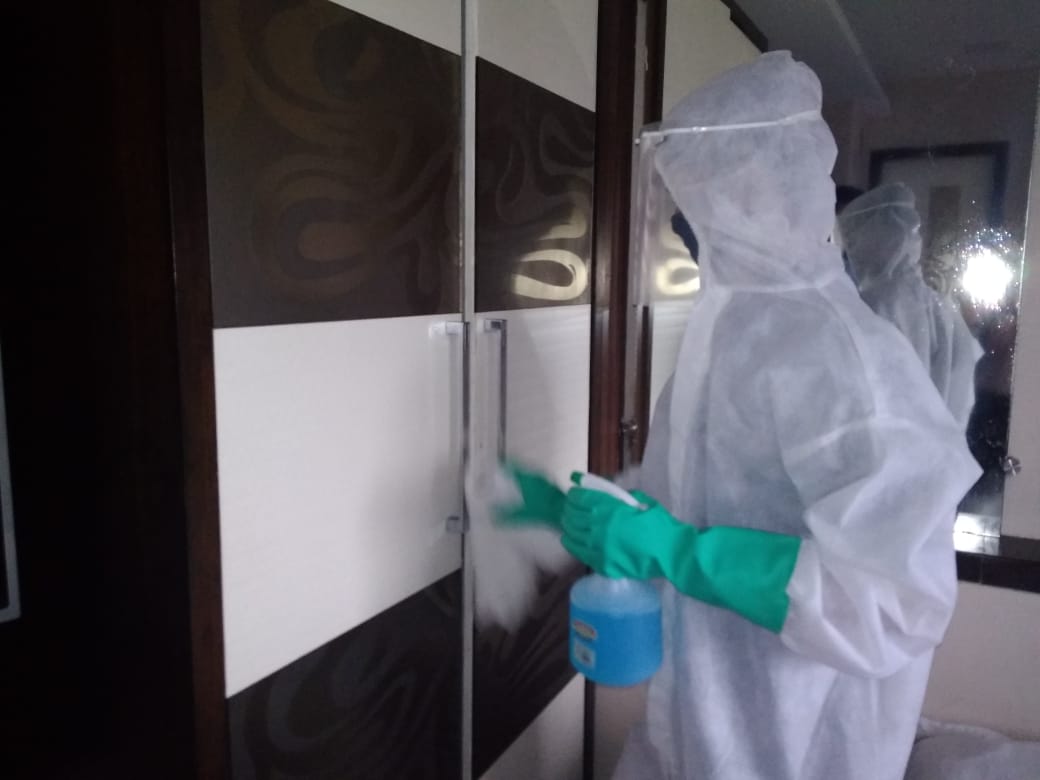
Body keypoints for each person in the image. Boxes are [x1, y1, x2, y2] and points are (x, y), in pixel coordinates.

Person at [499, 51, 980, 779]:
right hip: (695, 725)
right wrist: (587, 511)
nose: (684, 224)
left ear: (766, 192)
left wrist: (679, 553)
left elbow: (894, 601)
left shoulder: (847, 355)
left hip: (800, 747)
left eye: (706, 194)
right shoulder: (731, 336)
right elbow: (695, 498)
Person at [839, 183, 981, 429]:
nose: (848, 251)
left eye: (851, 238)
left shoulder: (881, 302)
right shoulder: (939, 302)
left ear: (872, 236)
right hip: (944, 446)